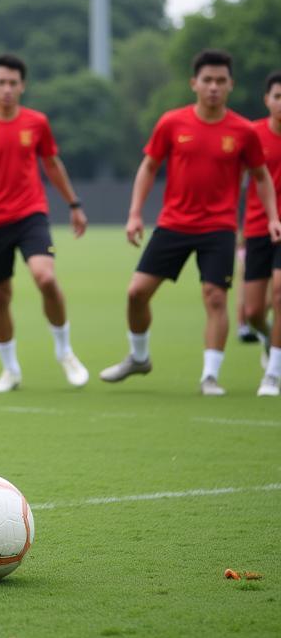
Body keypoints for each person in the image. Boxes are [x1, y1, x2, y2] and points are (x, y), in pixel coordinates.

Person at [102, 50, 281, 395]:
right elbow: (149, 167)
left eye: (220, 81)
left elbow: (261, 177)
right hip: (174, 224)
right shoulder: (172, 123)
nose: (213, 87)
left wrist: (273, 217)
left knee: (215, 298)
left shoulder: (243, 131)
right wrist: (135, 213)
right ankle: (139, 357)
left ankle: (209, 377)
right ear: (194, 84)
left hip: (219, 228)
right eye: (207, 80)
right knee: (136, 293)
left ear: (231, 85)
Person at [0, 54, 90, 393]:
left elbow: (52, 165)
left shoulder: (36, 122)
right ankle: (10, 370)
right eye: (1, 82)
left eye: (14, 83)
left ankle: (65, 351)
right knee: (0, 296)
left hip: (31, 214)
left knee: (45, 277)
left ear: (23, 86)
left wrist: (74, 204)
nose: (7, 89)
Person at [242, 71, 281, 396]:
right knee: (254, 312)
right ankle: (268, 338)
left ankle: (273, 374)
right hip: (256, 227)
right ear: (267, 100)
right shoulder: (251, 134)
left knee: (280, 293)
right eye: (278, 97)